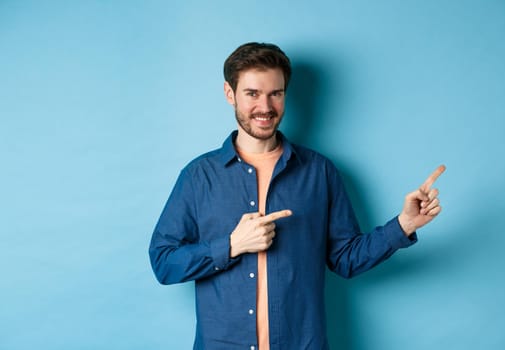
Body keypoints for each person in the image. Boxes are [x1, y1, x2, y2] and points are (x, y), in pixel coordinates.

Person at [149, 42, 445, 350]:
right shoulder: (199, 176)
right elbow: (163, 262)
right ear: (229, 94)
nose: (265, 106)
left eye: (275, 93)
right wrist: (232, 245)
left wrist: (404, 224)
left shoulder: (320, 172)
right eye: (252, 93)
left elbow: (345, 259)